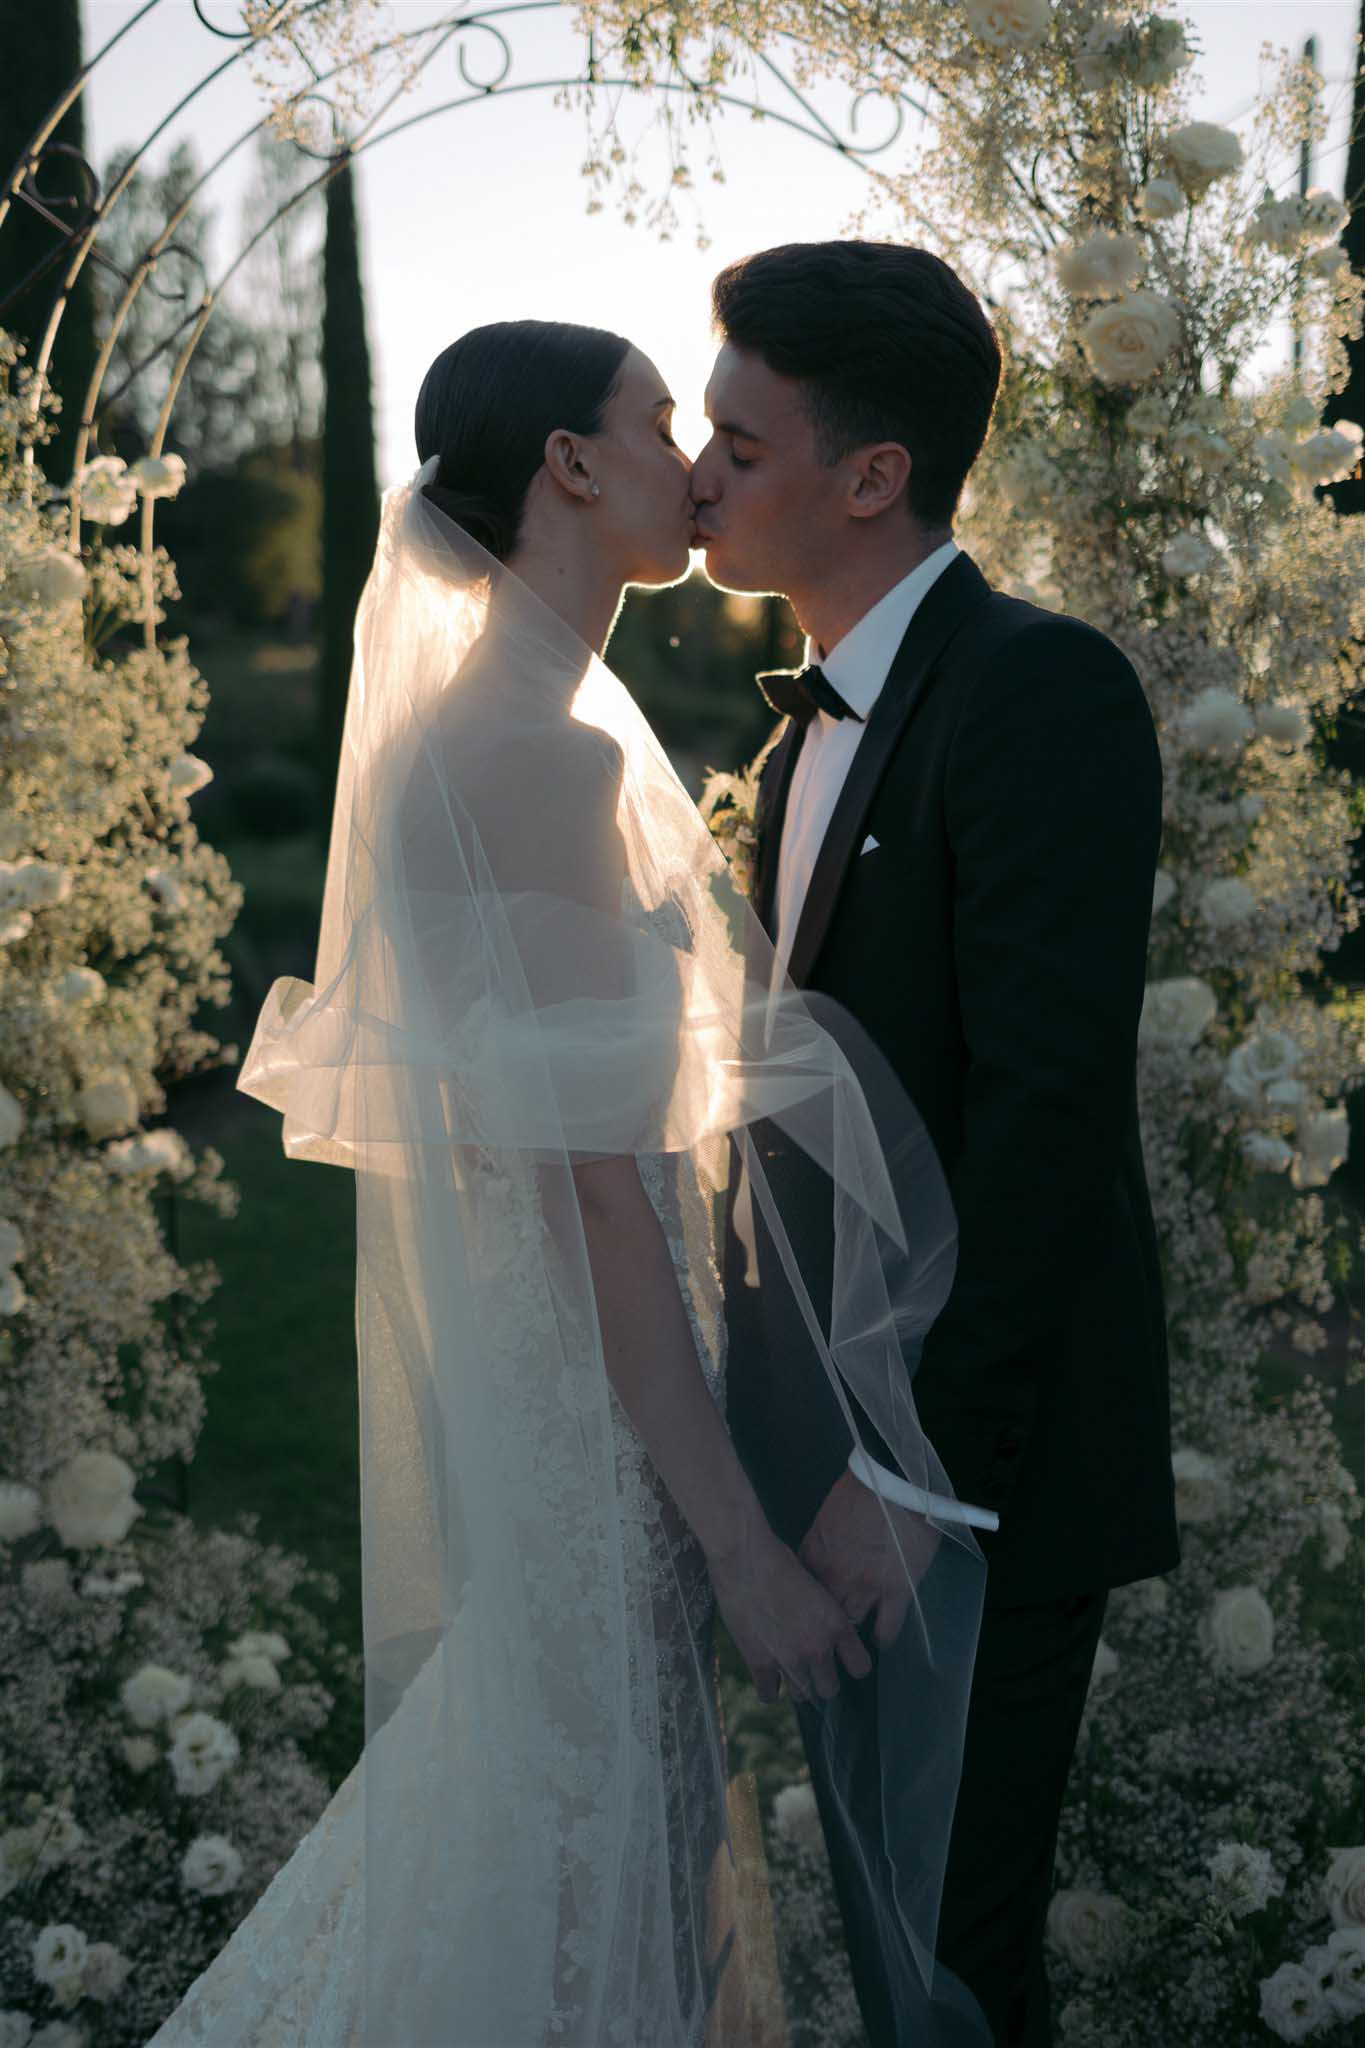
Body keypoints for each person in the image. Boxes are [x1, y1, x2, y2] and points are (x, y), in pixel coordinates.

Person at [142, 319, 992, 2047]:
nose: (692, 456)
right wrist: (746, 1543)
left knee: (575, 1812)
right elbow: (596, 1192)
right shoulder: (533, 751)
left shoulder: (508, 727)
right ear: (568, 465)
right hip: (611, 1410)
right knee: (586, 1833)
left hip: (584, 1386)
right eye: (657, 418)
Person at [693, 240, 1182, 2048]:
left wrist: (913, 1488)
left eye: (741, 447)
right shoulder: (793, 741)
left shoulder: (1039, 691)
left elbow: (1049, 1120)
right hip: (822, 1456)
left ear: (872, 473)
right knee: (882, 1942)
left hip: (976, 1475)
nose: (699, 478)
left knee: (960, 1965)